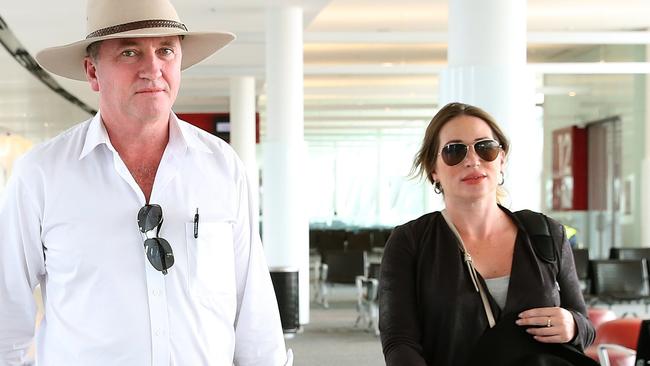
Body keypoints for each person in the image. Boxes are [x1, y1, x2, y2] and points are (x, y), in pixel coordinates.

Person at [0, 0, 290, 365]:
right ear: (92, 72)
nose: (152, 68)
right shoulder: (41, 174)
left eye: (165, 50)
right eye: (129, 52)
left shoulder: (222, 167)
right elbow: (5, 315)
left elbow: (254, 312)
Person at [378, 102, 595, 366]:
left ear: (501, 159)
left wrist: (572, 325)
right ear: (434, 170)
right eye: (454, 151)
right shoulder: (410, 242)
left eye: (485, 147)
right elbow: (399, 342)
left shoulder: (548, 233)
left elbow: (585, 326)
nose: (472, 160)